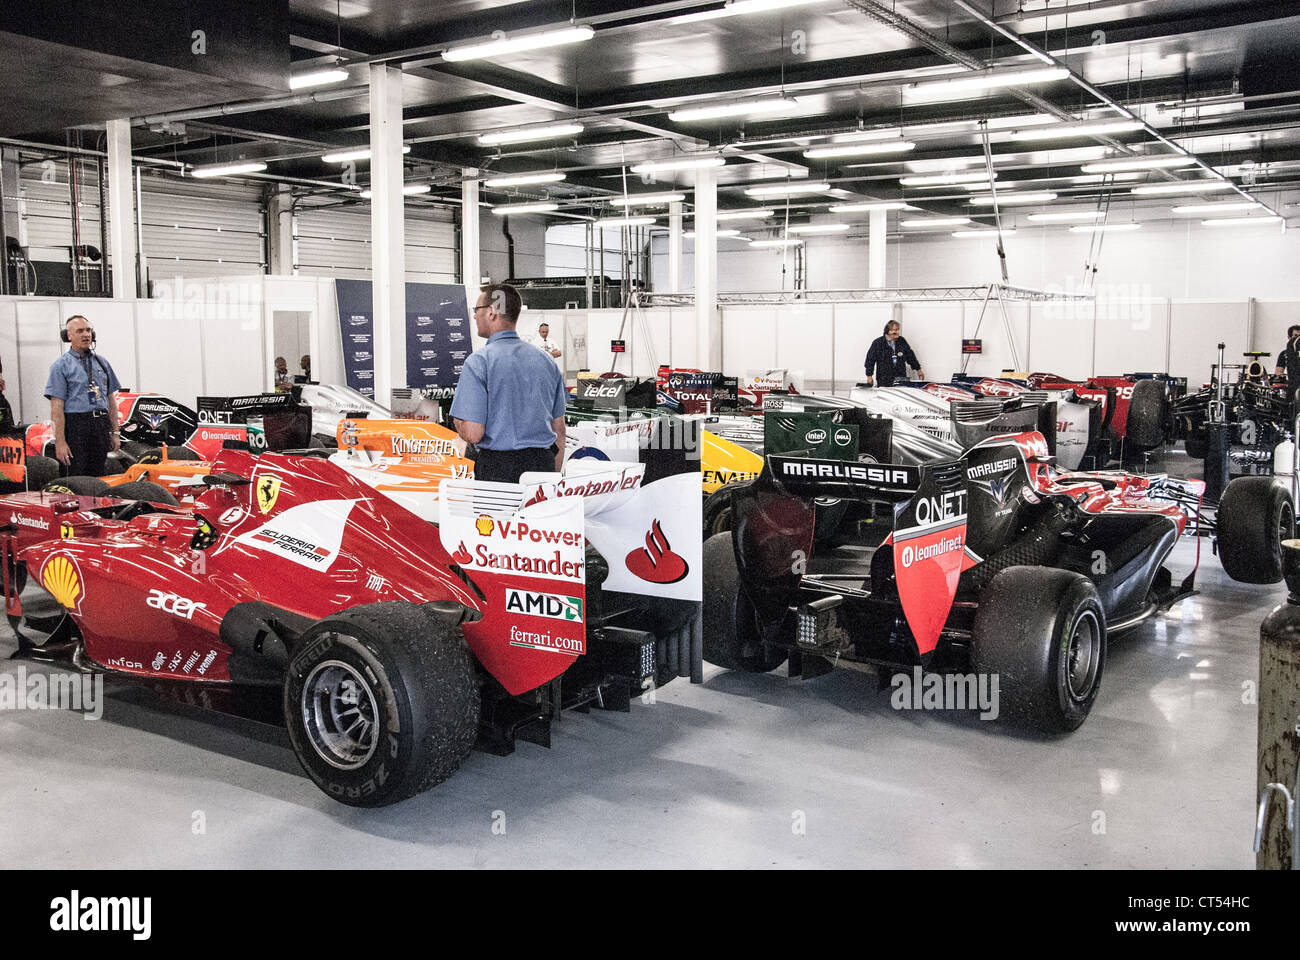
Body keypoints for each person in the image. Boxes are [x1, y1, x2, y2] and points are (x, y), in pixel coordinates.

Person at [450, 283, 567, 483]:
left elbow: (473, 432)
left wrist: (458, 423)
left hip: (498, 470)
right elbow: (560, 430)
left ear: (492, 312)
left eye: (477, 310)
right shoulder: (546, 361)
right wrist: (551, 480)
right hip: (542, 465)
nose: (475, 316)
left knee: (496, 516)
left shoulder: (479, 362)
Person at [44, 315, 122, 477]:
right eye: (80, 331)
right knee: (77, 475)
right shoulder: (60, 366)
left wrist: (115, 433)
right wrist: (60, 442)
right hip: (76, 426)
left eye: (88, 330)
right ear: (69, 336)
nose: (86, 334)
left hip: (100, 424)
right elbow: (56, 408)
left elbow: (111, 400)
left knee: (99, 475)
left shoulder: (102, 362)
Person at [864, 320, 925, 387]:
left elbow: (910, 356)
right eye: (894, 330)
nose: (897, 332)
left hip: (900, 377)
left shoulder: (902, 341)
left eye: (898, 330)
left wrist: (918, 369)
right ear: (888, 331)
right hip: (884, 379)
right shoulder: (878, 343)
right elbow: (870, 360)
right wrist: (869, 376)